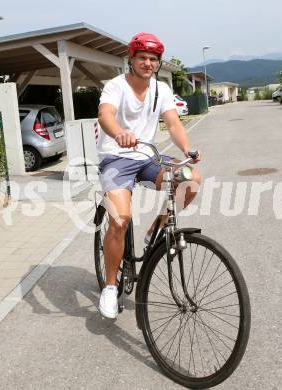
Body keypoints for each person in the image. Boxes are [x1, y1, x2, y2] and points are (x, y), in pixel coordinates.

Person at [97, 32, 201, 318]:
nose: (147, 63)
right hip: (116, 158)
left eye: (153, 59)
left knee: (190, 179)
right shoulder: (116, 86)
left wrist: (188, 149)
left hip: (147, 157)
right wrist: (119, 133)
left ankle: (157, 227)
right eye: (142, 57)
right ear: (131, 59)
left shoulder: (161, 88)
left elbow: (174, 123)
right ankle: (109, 286)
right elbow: (105, 115)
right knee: (120, 219)